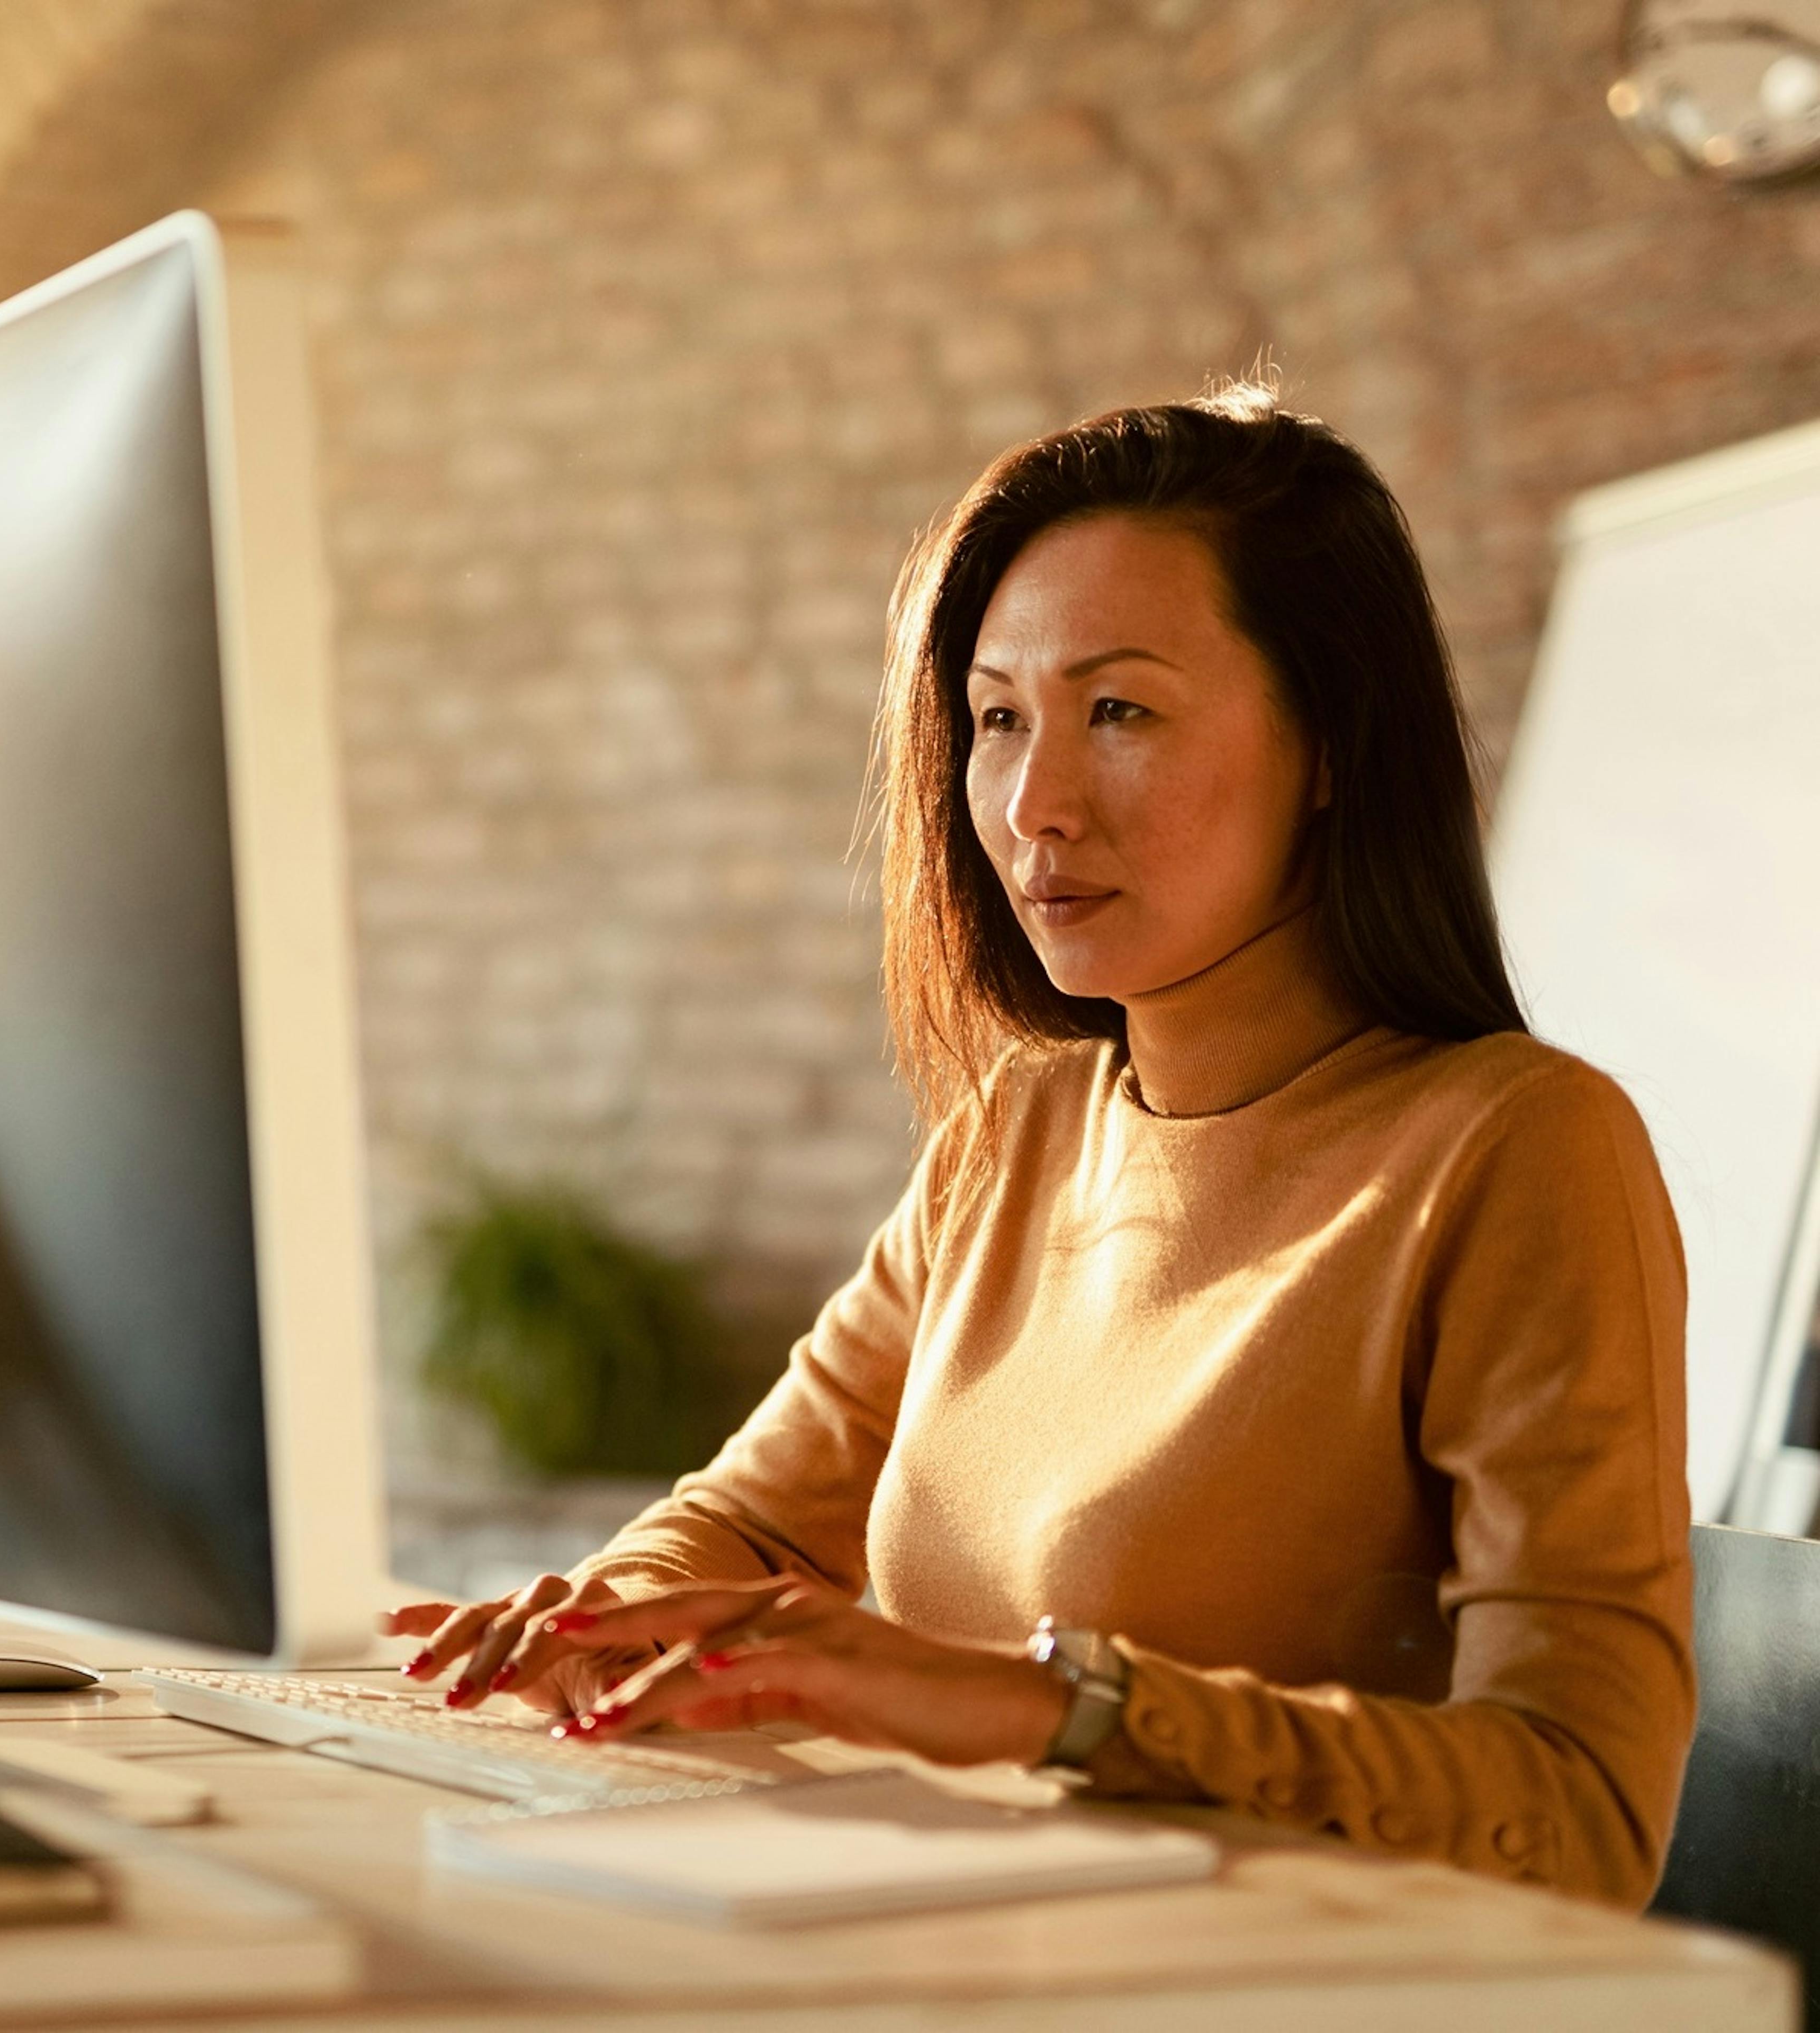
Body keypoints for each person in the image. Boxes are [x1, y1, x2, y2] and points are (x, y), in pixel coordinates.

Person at [383, 386, 1693, 1910]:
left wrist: (1055, 1706)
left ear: (1332, 743)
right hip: (966, 1966)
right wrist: (599, 1625)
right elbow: (749, 1523)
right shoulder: (1016, 1131)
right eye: (998, 719)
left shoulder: (1517, 1151)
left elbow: (1584, 1810)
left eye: (1119, 711)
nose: (1031, 804)